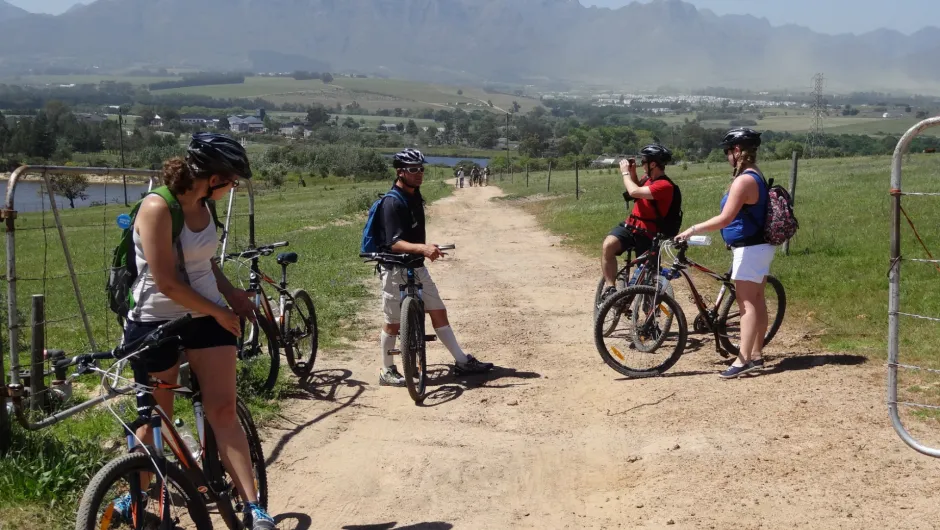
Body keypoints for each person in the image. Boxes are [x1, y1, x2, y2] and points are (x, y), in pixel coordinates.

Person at [122, 133, 277, 529]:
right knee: (157, 416)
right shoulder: (157, 207)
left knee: (223, 409)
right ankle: (136, 495)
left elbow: (204, 263)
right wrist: (221, 313)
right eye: (232, 180)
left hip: (208, 317)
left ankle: (254, 507)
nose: (233, 188)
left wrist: (232, 296)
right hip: (157, 319)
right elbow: (168, 282)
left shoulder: (205, 207)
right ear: (213, 177)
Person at [376, 148, 494, 386]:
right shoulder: (392, 202)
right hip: (394, 267)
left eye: (421, 169)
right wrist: (423, 248)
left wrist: (424, 247)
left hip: (416, 265)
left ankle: (462, 361)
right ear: (400, 172)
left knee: (438, 311)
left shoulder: (415, 196)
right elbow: (394, 243)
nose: (419, 173)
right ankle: (387, 370)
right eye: (413, 169)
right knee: (393, 322)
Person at [676, 128, 773, 379]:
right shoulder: (755, 174)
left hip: (749, 249)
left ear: (738, 150)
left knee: (747, 305)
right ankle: (756, 355)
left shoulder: (744, 180)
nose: (727, 156)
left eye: (728, 151)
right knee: (758, 300)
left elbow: (725, 218)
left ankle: (742, 360)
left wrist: (692, 229)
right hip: (758, 247)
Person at [599, 144, 676, 304]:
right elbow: (635, 190)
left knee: (647, 278)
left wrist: (625, 172)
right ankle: (610, 288)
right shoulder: (648, 179)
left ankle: (649, 318)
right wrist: (633, 174)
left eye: (644, 161)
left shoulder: (664, 186)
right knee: (608, 246)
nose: (642, 164)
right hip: (631, 226)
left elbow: (634, 192)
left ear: (653, 164)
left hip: (649, 234)